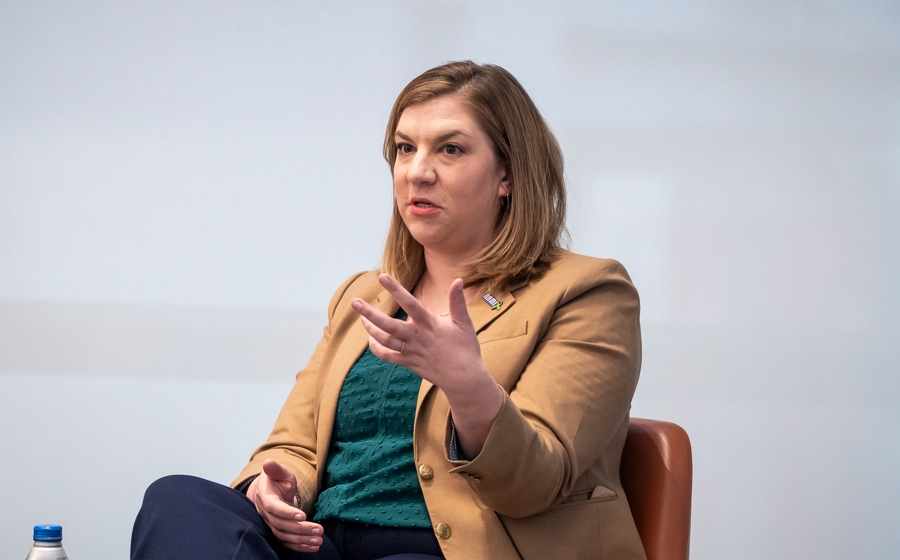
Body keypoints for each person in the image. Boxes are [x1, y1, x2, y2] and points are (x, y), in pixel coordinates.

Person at [131, 60, 646, 560]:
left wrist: (468, 384)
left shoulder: (585, 291)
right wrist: (275, 488)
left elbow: (535, 483)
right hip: (320, 544)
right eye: (405, 148)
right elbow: (293, 446)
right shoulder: (364, 295)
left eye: (450, 149)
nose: (417, 172)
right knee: (176, 501)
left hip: (446, 550)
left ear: (507, 174)